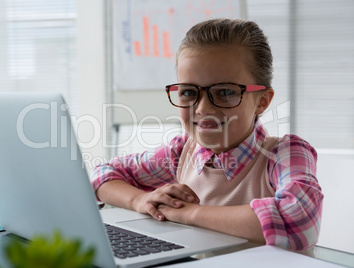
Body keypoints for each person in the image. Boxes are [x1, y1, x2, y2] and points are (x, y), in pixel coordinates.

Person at [92, 18, 323, 251]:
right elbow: (103, 175)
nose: (202, 109)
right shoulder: (181, 151)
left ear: (262, 101)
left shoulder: (283, 154)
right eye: (189, 92)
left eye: (225, 92)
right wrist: (140, 200)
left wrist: (190, 213)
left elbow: (300, 221)